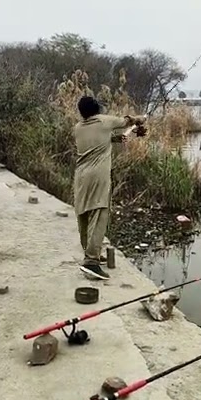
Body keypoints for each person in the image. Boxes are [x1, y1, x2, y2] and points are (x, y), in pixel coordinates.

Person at [72, 95, 145, 280]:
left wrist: (115, 139)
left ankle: (90, 252)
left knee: (84, 214)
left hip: (80, 177)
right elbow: (127, 121)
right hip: (98, 177)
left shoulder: (78, 128)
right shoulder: (105, 121)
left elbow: (98, 140)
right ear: (97, 108)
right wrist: (141, 119)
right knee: (99, 213)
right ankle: (91, 262)